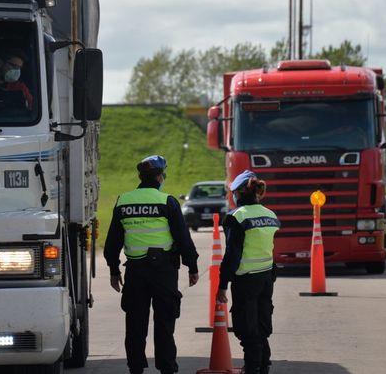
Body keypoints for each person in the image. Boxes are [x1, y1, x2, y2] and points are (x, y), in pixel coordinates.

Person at [103, 155, 199, 374]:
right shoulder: (167, 202)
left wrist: (114, 269)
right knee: (164, 322)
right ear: (159, 176)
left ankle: (136, 368)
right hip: (163, 271)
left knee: (135, 324)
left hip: (135, 271)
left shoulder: (123, 201)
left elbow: (113, 241)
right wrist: (192, 267)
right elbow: (183, 239)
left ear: (140, 176)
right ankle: (166, 368)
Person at [216, 170, 280, 374]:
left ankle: (252, 368)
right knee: (261, 327)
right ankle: (263, 367)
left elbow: (232, 256)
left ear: (238, 193)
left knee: (247, 329)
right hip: (266, 277)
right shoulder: (270, 215)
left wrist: (222, 285)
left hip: (246, 281)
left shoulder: (237, 217)